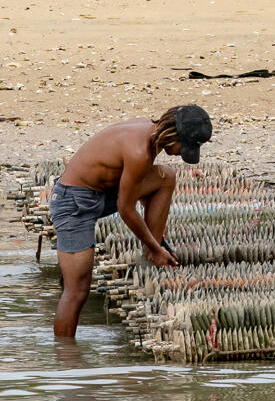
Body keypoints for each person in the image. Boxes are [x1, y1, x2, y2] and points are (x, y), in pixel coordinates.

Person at [48, 105, 213, 338]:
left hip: (100, 192)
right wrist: (158, 248)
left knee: (166, 178)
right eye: (182, 147)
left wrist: (155, 241)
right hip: (72, 203)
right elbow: (126, 209)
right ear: (172, 134)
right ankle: (65, 358)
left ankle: (150, 256)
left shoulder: (150, 132)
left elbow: (139, 194)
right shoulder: (139, 151)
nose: (179, 153)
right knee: (77, 291)